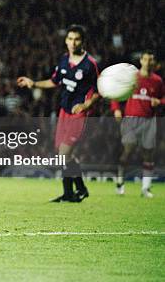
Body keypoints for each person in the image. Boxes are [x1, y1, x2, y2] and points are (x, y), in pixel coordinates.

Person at [17, 25, 100, 202]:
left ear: (82, 41)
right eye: (70, 38)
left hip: (78, 114)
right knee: (66, 155)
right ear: (66, 40)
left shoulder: (90, 64)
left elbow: (100, 90)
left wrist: (87, 104)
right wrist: (34, 83)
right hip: (64, 110)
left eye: (76, 39)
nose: (72, 42)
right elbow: (54, 81)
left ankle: (69, 193)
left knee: (63, 154)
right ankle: (80, 189)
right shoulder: (64, 59)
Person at [112, 50, 164, 198]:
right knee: (127, 151)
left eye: (151, 60)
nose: (148, 62)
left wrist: (159, 101)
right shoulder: (132, 78)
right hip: (130, 120)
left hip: (149, 120)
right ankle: (120, 183)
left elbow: (163, 98)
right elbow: (116, 93)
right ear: (141, 61)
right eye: (146, 59)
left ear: (154, 62)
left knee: (148, 154)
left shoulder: (157, 81)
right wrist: (116, 109)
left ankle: (145, 188)